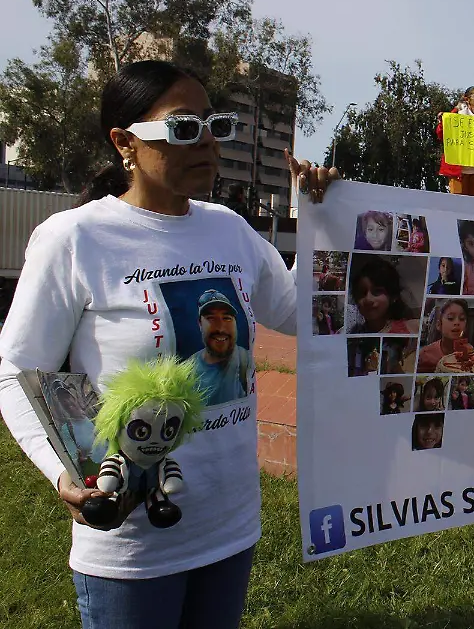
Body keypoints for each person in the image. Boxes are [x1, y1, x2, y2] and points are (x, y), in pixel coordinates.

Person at [0, 59, 336, 629]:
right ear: (124, 142)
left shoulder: (228, 228)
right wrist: (63, 473)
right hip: (132, 539)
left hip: (229, 525)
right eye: (183, 128)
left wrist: (322, 221)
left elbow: (299, 313)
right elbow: (16, 371)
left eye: (214, 124)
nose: (206, 141)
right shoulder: (74, 238)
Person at [189, 290, 252, 407]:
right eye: (211, 318)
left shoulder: (245, 360)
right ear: (200, 324)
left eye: (227, 318)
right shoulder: (188, 369)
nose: (221, 328)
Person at [437, 87, 474, 197]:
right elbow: (441, 135)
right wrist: (444, 120)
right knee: (458, 205)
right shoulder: (458, 116)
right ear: (467, 99)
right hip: (459, 171)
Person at [343, 256, 420, 334]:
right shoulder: (351, 336)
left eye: (377, 291)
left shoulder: (414, 329)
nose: (368, 299)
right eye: (362, 293)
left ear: (393, 296)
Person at [417, 300, 474, 373]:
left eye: (462, 319)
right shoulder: (425, 355)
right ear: (439, 325)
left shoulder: (470, 351)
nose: (457, 323)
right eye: (450, 318)